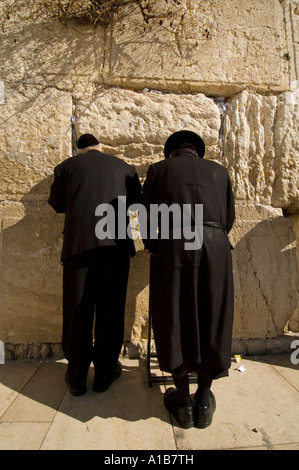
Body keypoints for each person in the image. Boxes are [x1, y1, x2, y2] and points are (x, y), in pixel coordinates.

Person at [141, 130, 235, 429]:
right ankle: (204, 401)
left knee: (174, 315)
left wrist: (153, 243)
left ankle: (183, 404)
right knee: (214, 315)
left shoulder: (159, 169)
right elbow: (228, 218)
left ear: (171, 152)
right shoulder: (220, 172)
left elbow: (146, 214)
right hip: (215, 246)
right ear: (197, 151)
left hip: (174, 244)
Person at [49, 133, 141, 396]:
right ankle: (104, 374)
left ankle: (76, 377)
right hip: (115, 249)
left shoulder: (66, 167)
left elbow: (58, 205)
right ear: (100, 149)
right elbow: (136, 202)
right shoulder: (125, 168)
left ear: (80, 151)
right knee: (111, 312)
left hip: (78, 248)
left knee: (77, 312)